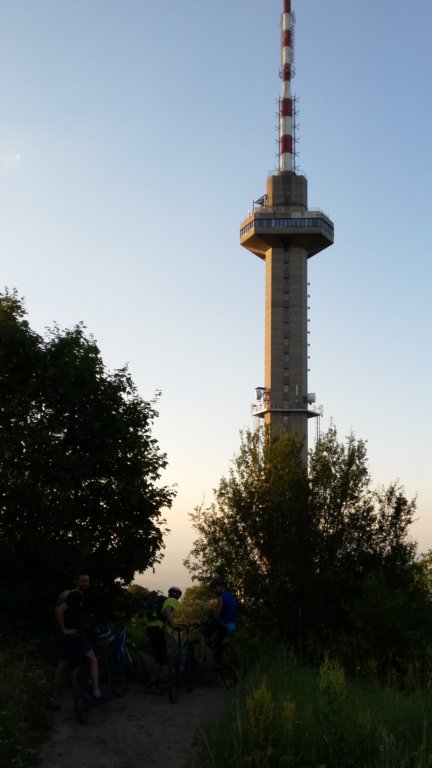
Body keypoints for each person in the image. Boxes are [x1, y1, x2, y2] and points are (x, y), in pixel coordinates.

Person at [50, 571, 102, 710]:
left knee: (61, 667)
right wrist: (64, 629)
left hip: (65, 637)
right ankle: (96, 692)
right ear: (77, 582)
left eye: (87, 581)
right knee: (93, 659)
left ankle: (52, 699)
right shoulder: (76, 595)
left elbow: (58, 609)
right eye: (83, 581)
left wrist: (63, 631)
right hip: (74, 634)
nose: (86, 583)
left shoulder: (68, 594)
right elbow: (59, 611)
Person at [146, 586, 182, 693]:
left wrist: (170, 625)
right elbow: (168, 611)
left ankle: (154, 682)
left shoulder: (164, 600)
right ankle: (151, 684)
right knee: (161, 657)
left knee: (159, 656)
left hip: (150, 628)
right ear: (178, 596)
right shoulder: (173, 601)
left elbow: (162, 617)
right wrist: (174, 625)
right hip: (157, 630)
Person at [198, 576, 237, 663]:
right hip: (232, 624)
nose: (214, 590)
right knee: (218, 644)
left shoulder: (220, 598)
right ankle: (220, 661)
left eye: (216, 588)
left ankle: (200, 659)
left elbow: (216, 616)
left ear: (221, 587)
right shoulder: (230, 595)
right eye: (213, 588)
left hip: (224, 624)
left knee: (202, 635)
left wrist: (210, 615)